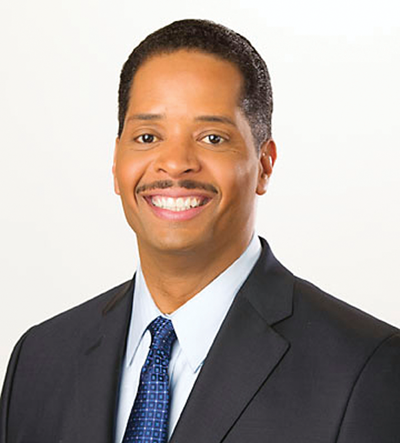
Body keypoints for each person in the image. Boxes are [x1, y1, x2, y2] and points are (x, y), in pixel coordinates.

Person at [1, 18, 399, 443]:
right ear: (116, 163)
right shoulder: (39, 359)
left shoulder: (366, 369)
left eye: (212, 138)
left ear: (264, 165)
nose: (175, 164)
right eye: (147, 136)